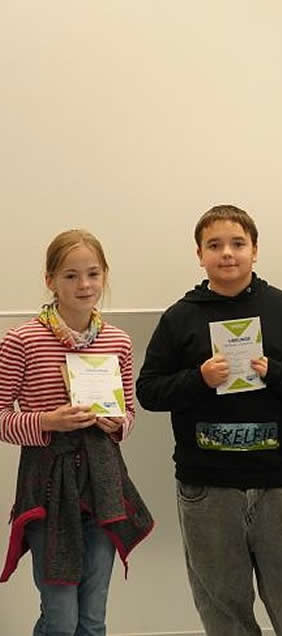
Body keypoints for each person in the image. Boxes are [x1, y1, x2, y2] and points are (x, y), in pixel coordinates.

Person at [136, 205, 282, 636]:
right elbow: (148, 391)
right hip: (208, 486)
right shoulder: (179, 318)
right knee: (222, 604)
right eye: (215, 245)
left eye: (238, 244)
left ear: (255, 251)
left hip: (279, 480)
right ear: (199, 255)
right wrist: (199, 379)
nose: (227, 253)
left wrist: (276, 372)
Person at [0, 229, 153, 635]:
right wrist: (46, 422)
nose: (84, 285)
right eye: (70, 275)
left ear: (104, 275)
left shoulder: (117, 341)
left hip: (103, 486)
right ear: (50, 280)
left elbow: (129, 414)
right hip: (49, 486)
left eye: (93, 274)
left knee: (93, 617)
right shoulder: (22, 340)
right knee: (61, 617)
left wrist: (117, 424)